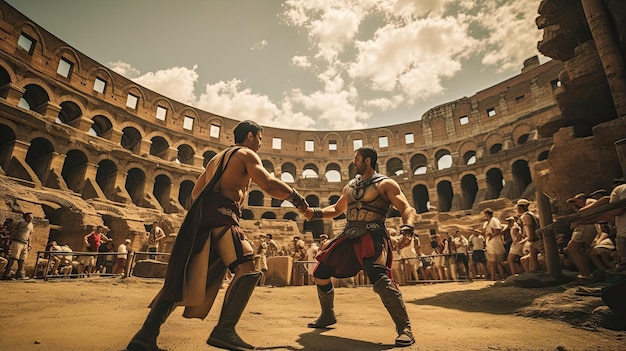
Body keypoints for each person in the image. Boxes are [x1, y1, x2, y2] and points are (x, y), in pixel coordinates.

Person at [127, 120, 308, 351]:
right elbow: (268, 184)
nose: (261, 144)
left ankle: (145, 336)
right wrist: (298, 200)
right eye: (260, 138)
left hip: (204, 218)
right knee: (248, 267)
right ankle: (224, 331)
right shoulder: (246, 154)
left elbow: (195, 192)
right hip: (222, 216)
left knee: (186, 274)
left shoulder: (216, 159)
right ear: (251, 136)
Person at [304, 146, 417, 346]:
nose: (353, 162)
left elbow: (406, 208)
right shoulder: (350, 186)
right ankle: (327, 316)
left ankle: (404, 328)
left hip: (373, 234)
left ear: (367, 161)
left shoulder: (385, 184)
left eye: (357, 159)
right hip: (349, 233)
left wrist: (407, 228)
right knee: (320, 273)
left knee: (380, 279)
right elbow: (337, 209)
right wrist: (315, 212)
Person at [2, 212, 34, 280]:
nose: (31, 218)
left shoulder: (31, 225)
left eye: (32, 217)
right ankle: (7, 274)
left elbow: (30, 235)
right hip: (17, 242)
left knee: (22, 259)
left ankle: (19, 274)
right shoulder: (21, 223)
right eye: (30, 217)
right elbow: (15, 231)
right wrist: (11, 240)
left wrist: (29, 244)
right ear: (26, 217)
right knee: (13, 258)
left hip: (25, 243)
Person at [516, 199, 543, 272]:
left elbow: (530, 227)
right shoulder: (529, 214)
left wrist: (530, 238)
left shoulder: (527, 216)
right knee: (533, 257)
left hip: (536, 239)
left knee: (547, 257)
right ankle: (535, 273)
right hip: (533, 241)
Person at [483, 208, 506, 281]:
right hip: (490, 243)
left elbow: (497, 231)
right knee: (492, 261)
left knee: (497, 261)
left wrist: (491, 236)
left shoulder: (494, 221)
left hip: (495, 243)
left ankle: (498, 276)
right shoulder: (487, 223)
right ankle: (495, 276)